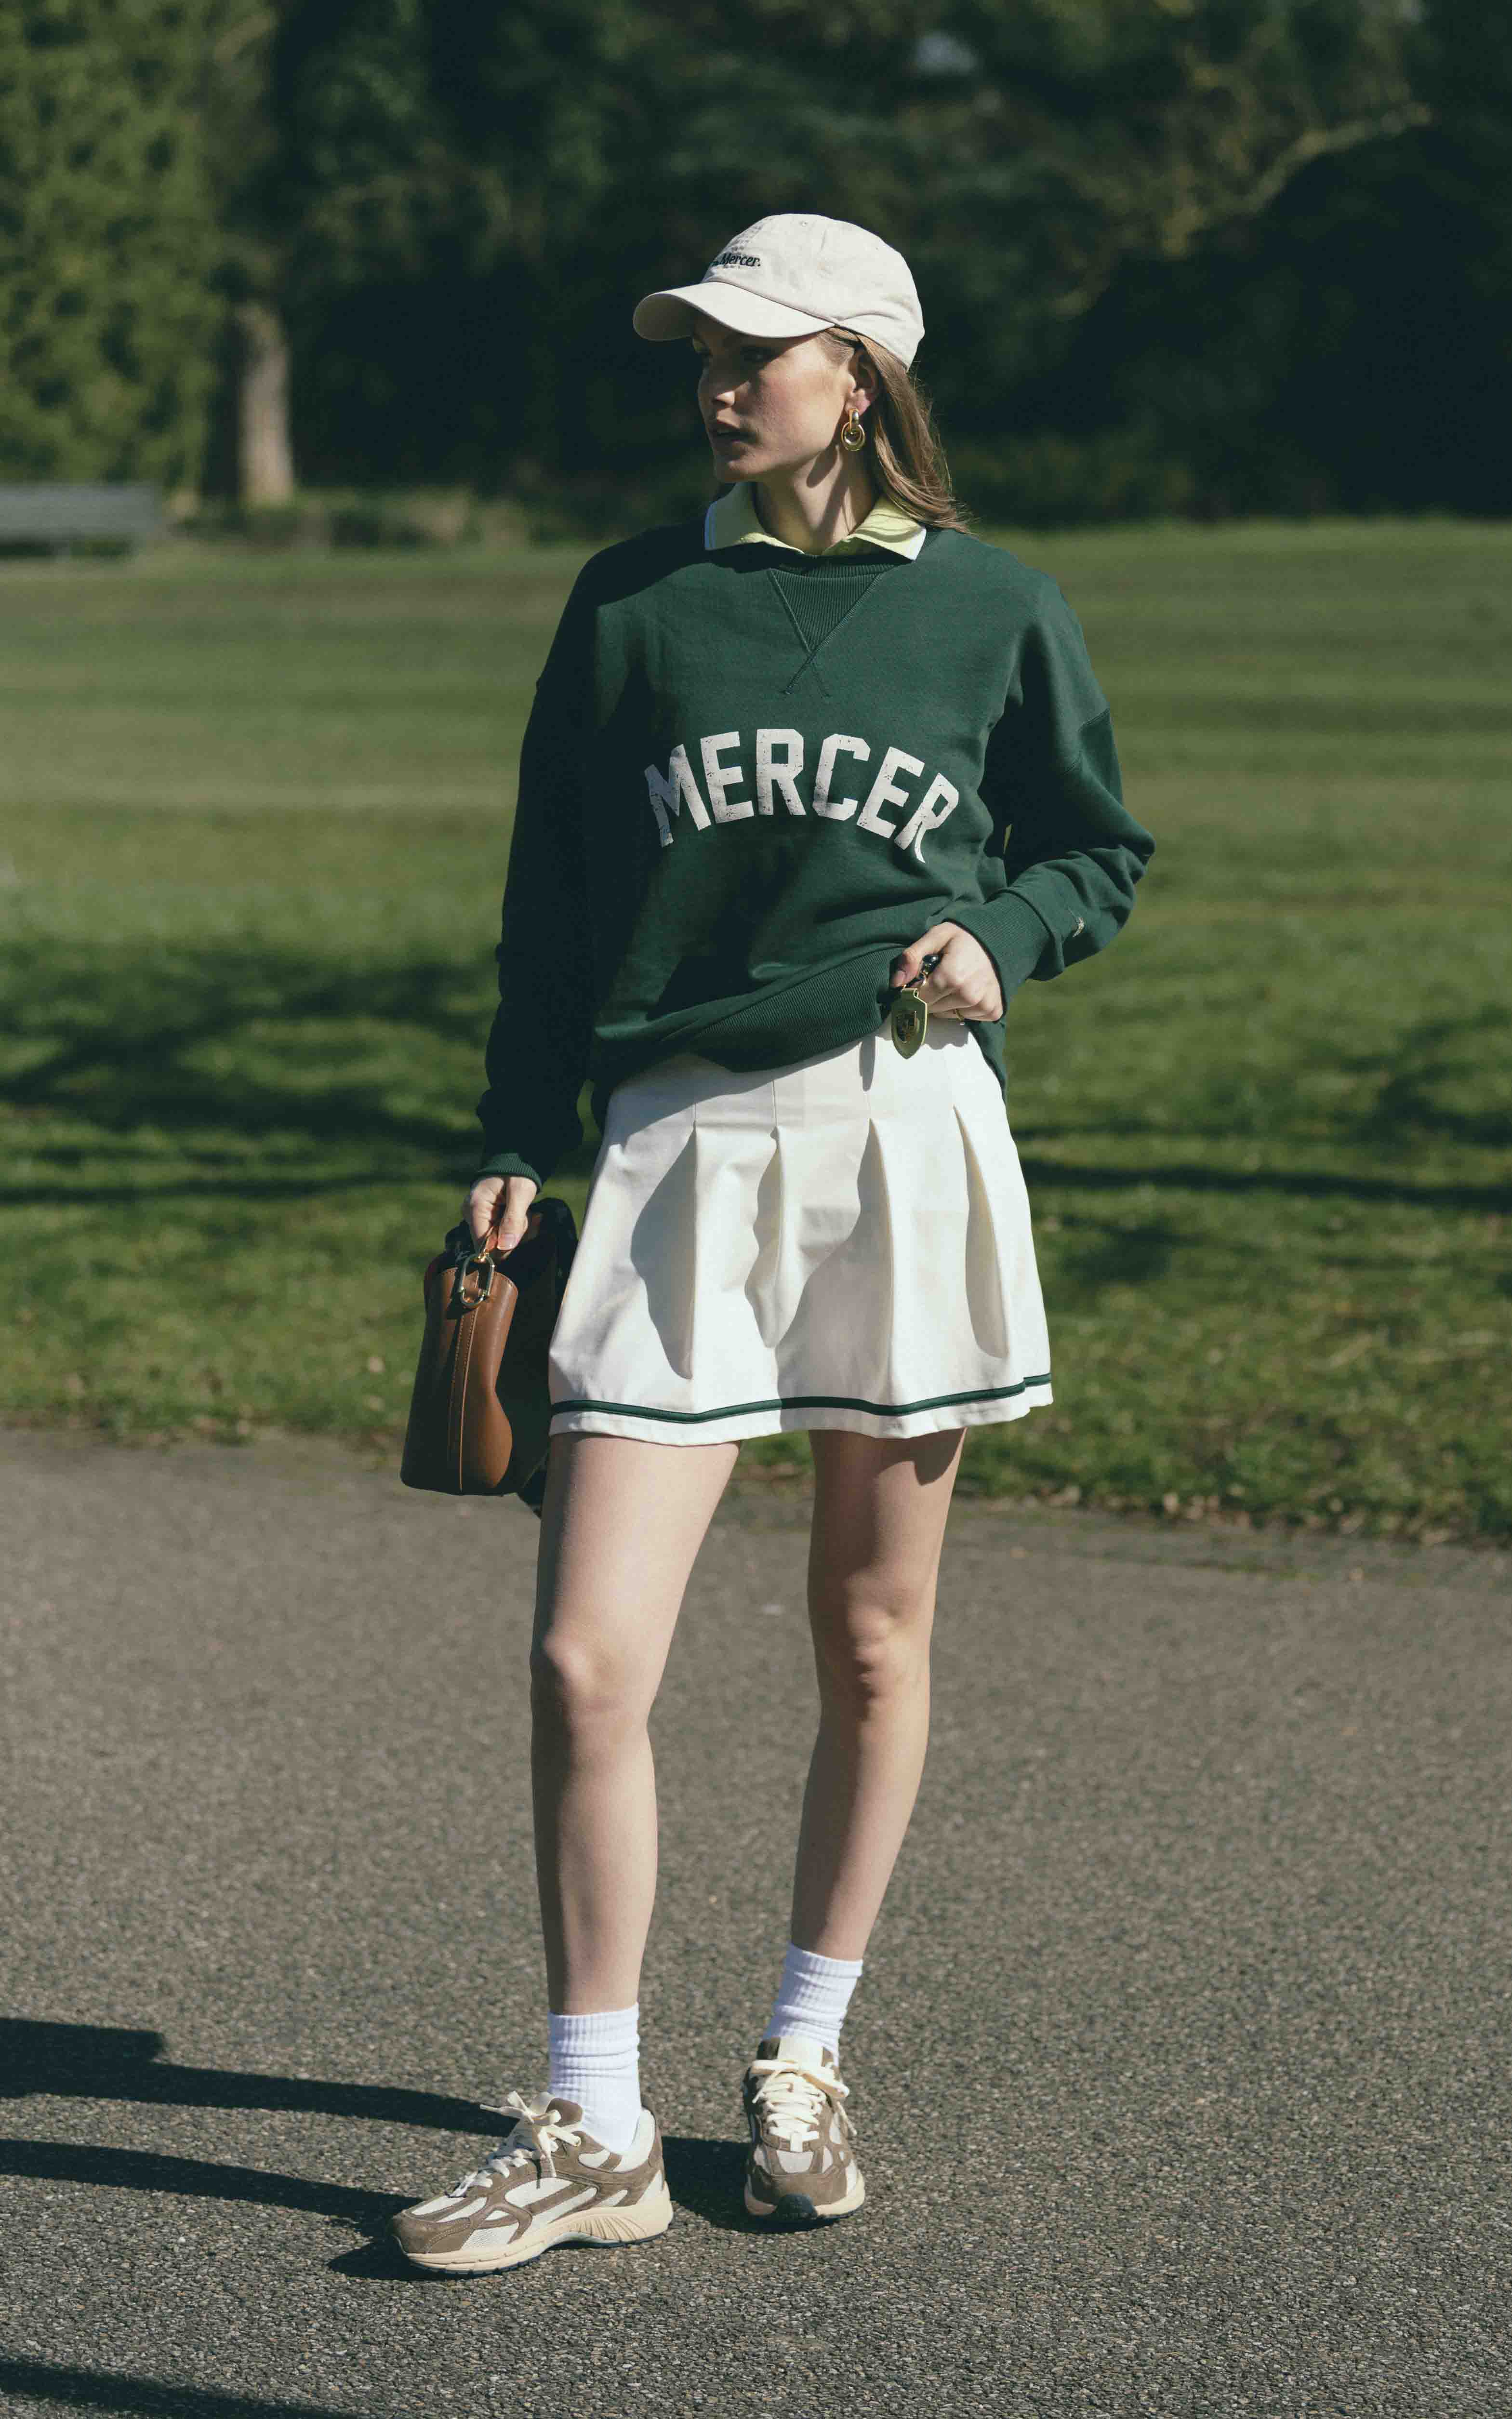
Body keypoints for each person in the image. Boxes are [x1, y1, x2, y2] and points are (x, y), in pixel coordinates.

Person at [392, 213, 1154, 2274]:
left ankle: (803, 2056)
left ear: (861, 378)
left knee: (872, 1635)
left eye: (754, 353)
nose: (716, 385)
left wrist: (1003, 933)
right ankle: (594, 2120)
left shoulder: (994, 608)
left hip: (898, 1134)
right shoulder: (634, 601)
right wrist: (516, 1132)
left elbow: (1095, 848)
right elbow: (551, 902)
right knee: (582, 1653)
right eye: (702, 355)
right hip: (670, 1153)